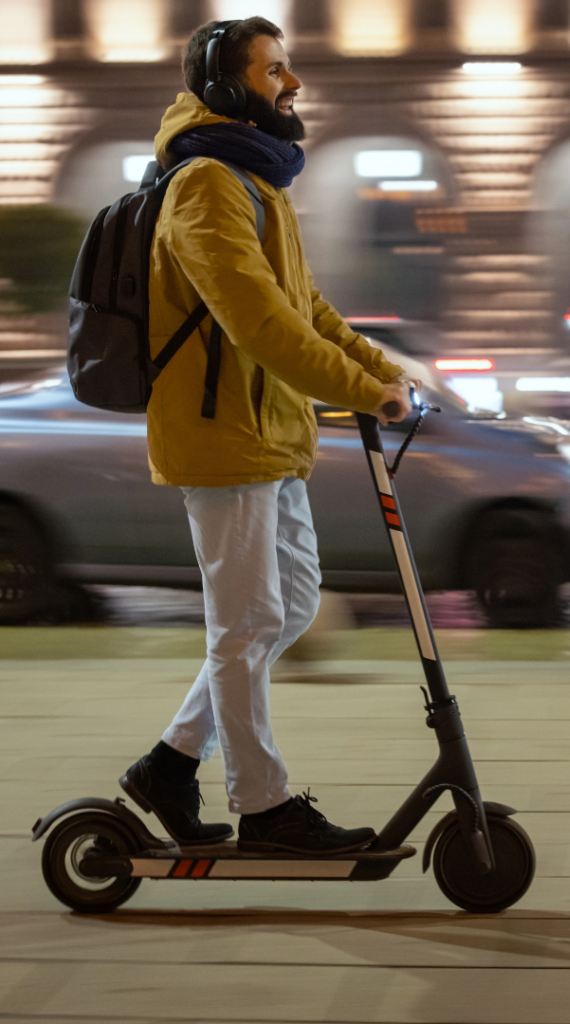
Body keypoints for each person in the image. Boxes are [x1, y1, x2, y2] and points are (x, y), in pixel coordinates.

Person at [120, 16, 417, 855]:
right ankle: (265, 807)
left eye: (288, 67)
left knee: (286, 608)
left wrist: (384, 369)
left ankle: (171, 764)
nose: (293, 83)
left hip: (268, 432)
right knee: (245, 623)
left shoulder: (259, 184)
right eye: (274, 70)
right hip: (222, 436)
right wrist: (363, 392)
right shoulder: (204, 185)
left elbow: (308, 308)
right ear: (224, 86)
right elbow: (256, 322)